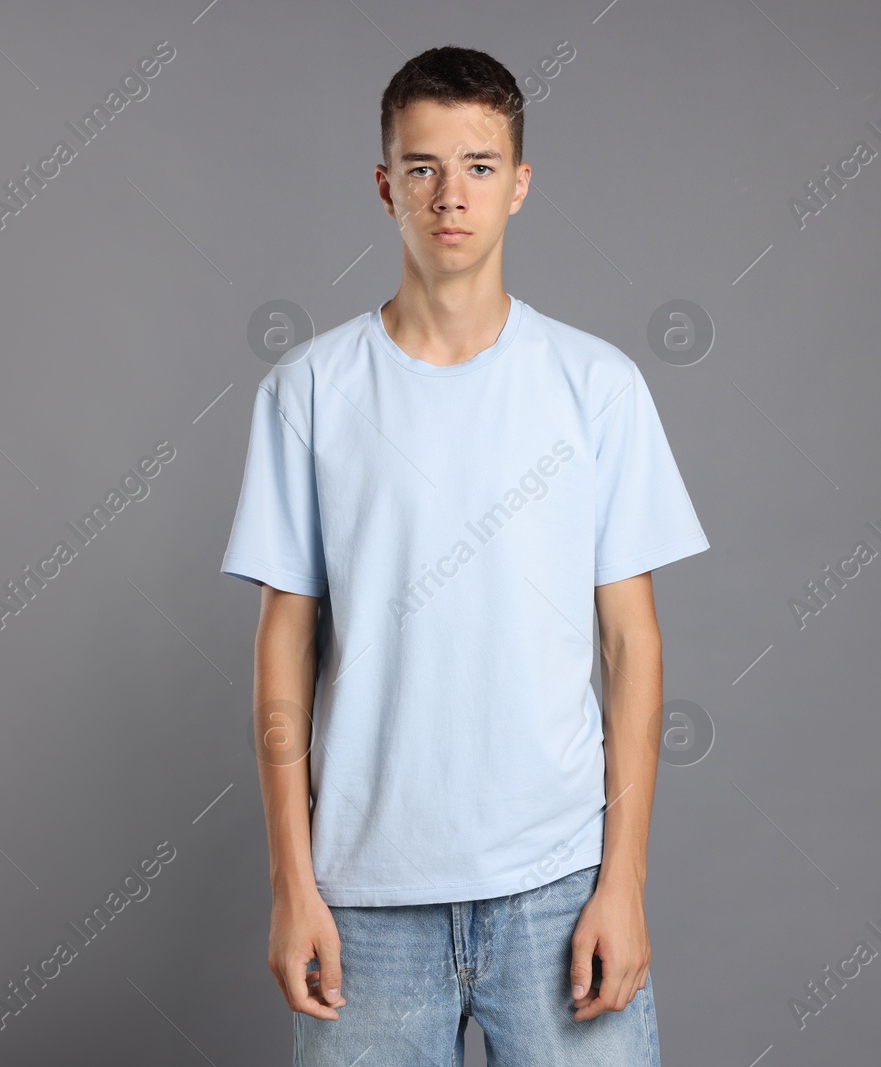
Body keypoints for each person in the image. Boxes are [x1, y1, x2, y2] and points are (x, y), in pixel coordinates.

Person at [220, 43, 707, 1065]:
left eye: (480, 166)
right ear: (384, 182)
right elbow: (282, 649)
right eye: (424, 166)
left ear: (519, 185)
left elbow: (631, 644)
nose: (451, 195)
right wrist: (291, 882)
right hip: (364, 903)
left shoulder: (595, 386)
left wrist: (623, 880)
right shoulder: (308, 391)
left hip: (559, 888)